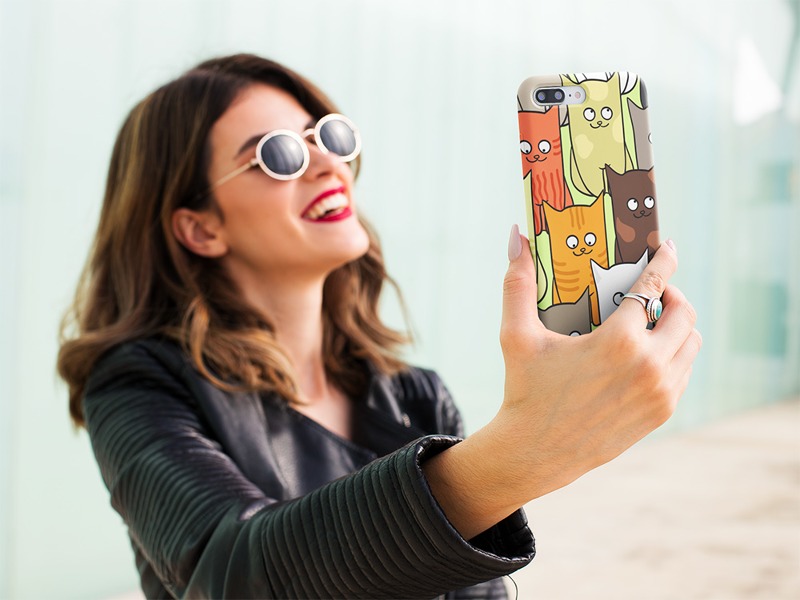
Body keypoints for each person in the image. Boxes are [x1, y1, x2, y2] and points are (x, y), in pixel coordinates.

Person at [57, 53, 701, 599]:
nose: (326, 165)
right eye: (278, 155)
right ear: (200, 228)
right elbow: (232, 571)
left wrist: (524, 451)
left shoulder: (414, 396)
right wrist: (520, 452)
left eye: (328, 137)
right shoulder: (137, 384)